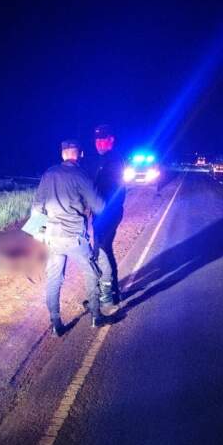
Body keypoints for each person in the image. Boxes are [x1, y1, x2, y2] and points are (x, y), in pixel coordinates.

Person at [32, 139, 105, 336]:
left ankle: (56, 324)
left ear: (62, 154)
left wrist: (38, 233)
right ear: (79, 154)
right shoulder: (81, 175)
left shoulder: (48, 174)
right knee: (91, 273)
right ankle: (96, 316)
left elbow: (37, 206)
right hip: (75, 238)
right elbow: (99, 206)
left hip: (53, 237)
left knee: (54, 280)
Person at [92, 125, 125, 309]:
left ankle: (110, 293)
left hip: (108, 214)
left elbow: (112, 192)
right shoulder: (104, 159)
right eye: (97, 139)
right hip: (102, 214)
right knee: (104, 250)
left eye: (103, 139)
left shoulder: (113, 161)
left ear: (111, 140)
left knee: (103, 251)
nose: (99, 142)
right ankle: (112, 291)